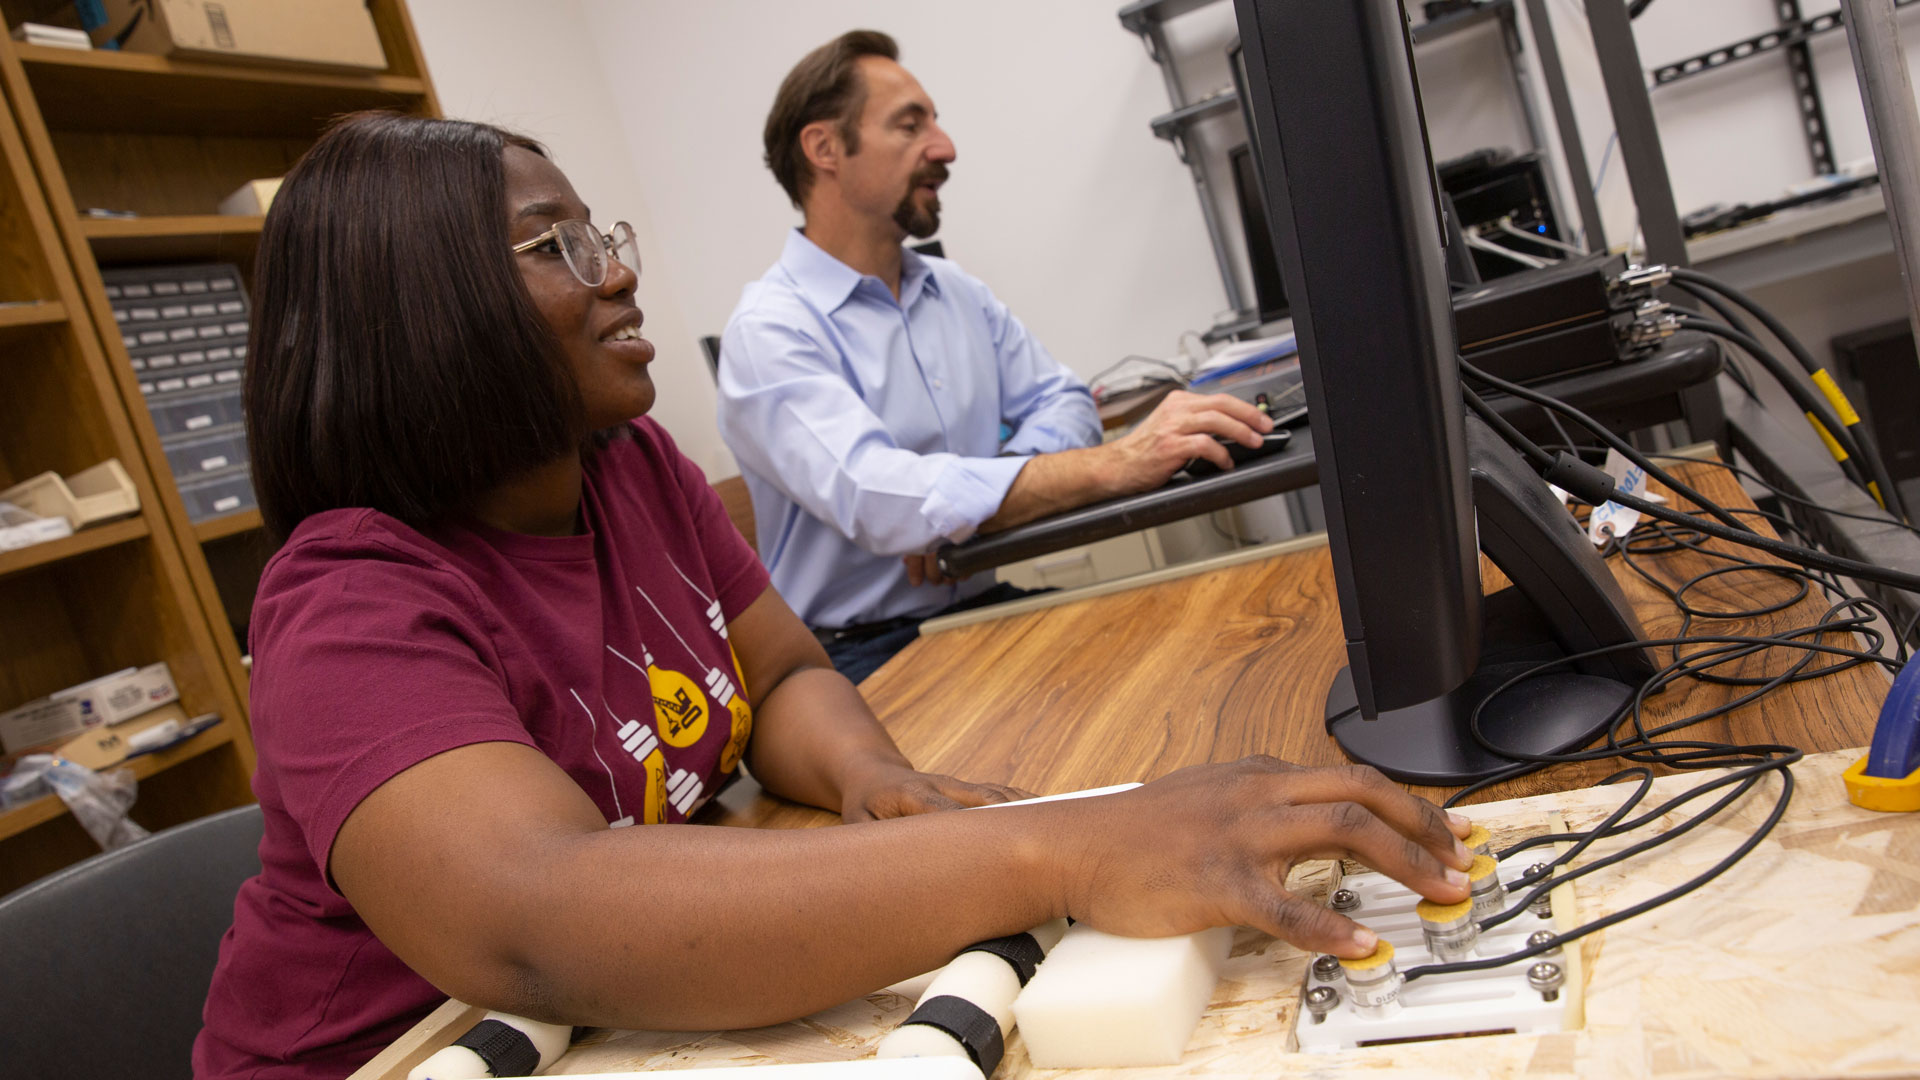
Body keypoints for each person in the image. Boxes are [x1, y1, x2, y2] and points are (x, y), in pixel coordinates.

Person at [193, 111, 1474, 1080]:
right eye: (560, 247)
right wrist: (1065, 849)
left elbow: (789, 674)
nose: (619, 274)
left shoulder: (630, 468)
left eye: (605, 237)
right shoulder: (350, 598)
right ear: (419, 309)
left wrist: (874, 781)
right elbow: (532, 919)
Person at [717, 30, 1276, 682]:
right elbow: (882, 499)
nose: (945, 147)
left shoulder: (955, 291)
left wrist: (976, 504)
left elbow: (1063, 401)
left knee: (1201, 651)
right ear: (824, 149)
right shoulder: (769, 332)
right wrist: (1114, 466)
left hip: (977, 607)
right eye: (910, 125)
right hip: (856, 658)